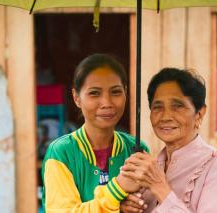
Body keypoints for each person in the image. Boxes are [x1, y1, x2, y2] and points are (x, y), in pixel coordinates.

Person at [120, 68, 217, 212]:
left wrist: (160, 187)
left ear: (200, 114)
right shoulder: (151, 166)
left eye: (177, 106)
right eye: (157, 107)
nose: (165, 117)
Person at [41, 53, 149, 212]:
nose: (107, 103)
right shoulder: (61, 153)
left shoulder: (136, 149)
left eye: (116, 92)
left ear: (126, 92)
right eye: (94, 93)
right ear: (76, 97)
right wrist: (117, 192)